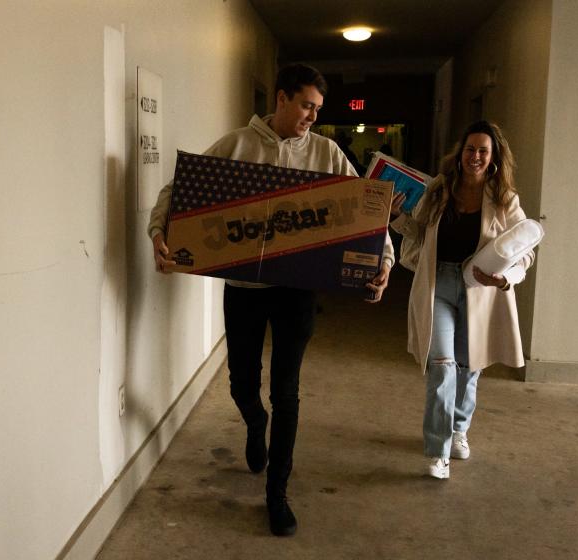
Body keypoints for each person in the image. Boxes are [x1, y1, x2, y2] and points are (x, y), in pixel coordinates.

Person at [148, 64, 395, 535]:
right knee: (242, 383)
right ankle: (253, 419)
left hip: (296, 292)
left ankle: (276, 495)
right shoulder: (237, 145)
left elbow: (368, 209)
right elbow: (178, 189)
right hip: (244, 290)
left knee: (287, 392)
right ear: (280, 99)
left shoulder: (326, 153)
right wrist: (159, 229)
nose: (312, 118)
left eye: (318, 110)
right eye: (306, 105)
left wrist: (383, 259)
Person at [389, 120, 534, 480]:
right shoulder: (440, 188)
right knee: (441, 365)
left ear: (494, 157)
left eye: (483, 151)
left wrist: (505, 278)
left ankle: (458, 429)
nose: (476, 157)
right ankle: (439, 452)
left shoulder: (504, 199)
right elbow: (419, 230)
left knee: (470, 366)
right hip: (439, 282)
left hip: (478, 290)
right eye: (470, 149)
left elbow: (526, 251)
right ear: (461, 152)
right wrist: (395, 217)